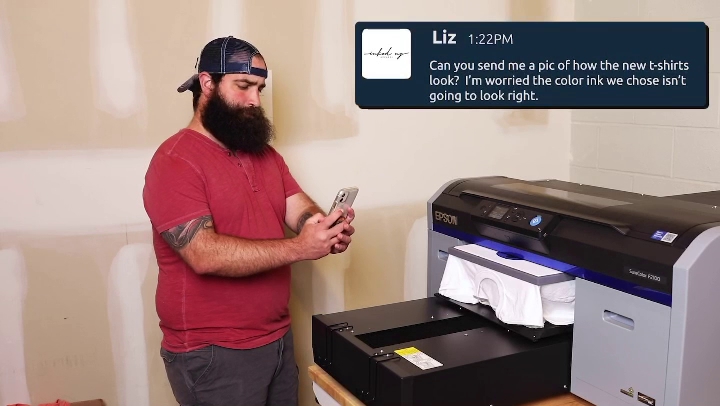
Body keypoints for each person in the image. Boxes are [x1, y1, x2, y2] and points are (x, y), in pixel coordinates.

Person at [142, 36, 355, 406]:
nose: (255, 100)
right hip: (213, 353)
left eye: (260, 88)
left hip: (276, 339)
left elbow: (297, 207)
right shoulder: (174, 161)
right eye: (243, 86)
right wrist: (300, 247)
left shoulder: (264, 155)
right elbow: (203, 254)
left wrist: (322, 227)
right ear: (207, 83)